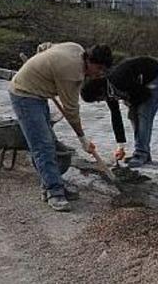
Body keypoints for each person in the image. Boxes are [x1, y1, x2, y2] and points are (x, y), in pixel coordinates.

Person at [9, 43, 112, 211]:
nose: (99, 73)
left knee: (47, 141)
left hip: (38, 94)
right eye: (99, 68)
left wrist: (40, 69)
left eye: (103, 70)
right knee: (43, 145)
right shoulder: (72, 73)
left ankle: (50, 183)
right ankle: (54, 192)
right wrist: (82, 138)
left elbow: (44, 47)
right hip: (24, 94)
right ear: (90, 61)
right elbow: (71, 110)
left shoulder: (76, 48)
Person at [80, 56, 158, 168]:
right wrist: (120, 145)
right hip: (140, 84)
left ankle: (141, 154)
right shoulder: (108, 91)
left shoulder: (119, 80)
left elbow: (144, 94)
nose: (99, 101)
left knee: (143, 114)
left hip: (157, 74)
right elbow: (115, 116)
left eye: (98, 99)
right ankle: (144, 153)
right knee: (133, 116)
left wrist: (130, 101)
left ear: (100, 92)